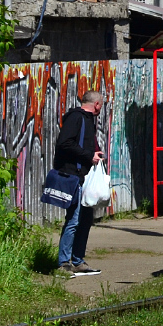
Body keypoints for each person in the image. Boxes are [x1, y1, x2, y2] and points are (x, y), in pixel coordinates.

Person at [54, 89, 105, 277]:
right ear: (97, 104)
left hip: (84, 176)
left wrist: (94, 154)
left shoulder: (87, 119)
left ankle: (77, 261)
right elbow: (64, 143)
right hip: (72, 176)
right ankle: (63, 263)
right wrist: (88, 155)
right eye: (101, 105)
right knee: (74, 219)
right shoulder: (76, 118)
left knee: (85, 219)